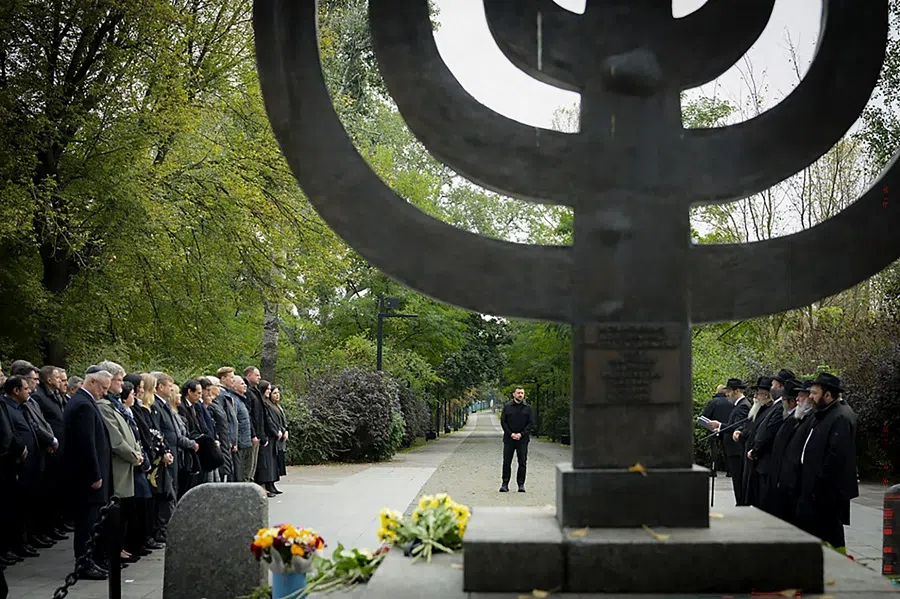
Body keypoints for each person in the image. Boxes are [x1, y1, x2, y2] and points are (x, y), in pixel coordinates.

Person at [795, 373, 859, 550]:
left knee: (831, 532)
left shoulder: (840, 417)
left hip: (827, 490)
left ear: (828, 395)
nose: (810, 397)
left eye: (815, 393)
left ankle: (839, 566)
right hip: (814, 486)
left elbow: (836, 456)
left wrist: (819, 483)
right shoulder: (823, 413)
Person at [63, 369, 113, 580]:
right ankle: (84, 563)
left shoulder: (82, 401)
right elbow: (86, 444)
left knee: (91, 521)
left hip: (86, 475)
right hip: (86, 477)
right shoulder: (83, 404)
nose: (104, 392)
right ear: (92, 381)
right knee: (86, 522)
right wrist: (94, 474)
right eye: (102, 387)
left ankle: (89, 560)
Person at [711, 378, 749, 504]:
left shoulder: (743, 405)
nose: (727, 394)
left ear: (737, 391)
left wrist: (721, 426)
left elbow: (738, 425)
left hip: (736, 450)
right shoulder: (738, 405)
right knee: (736, 480)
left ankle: (741, 502)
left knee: (738, 480)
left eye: (729, 391)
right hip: (732, 449)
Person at [499, 386, 532, 493]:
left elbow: (530, 423)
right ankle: (505, 484)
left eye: (522, 393)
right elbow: (503, 422)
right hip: (509, 439)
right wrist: (511, 434)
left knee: (522, 462)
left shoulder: (527, 408)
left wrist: (521, 434)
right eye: (518, 393)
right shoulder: (507, 407)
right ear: (514, 394)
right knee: (506, 462)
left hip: (523, 440)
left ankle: (521, 484)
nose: (520, 395)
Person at [701, 384, 733, 474]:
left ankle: (713, 470)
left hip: (714, 429)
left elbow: (705, 416)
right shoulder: (731, 402)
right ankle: (730, 470)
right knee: (727, 449)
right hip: (727, 428)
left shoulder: (713, 402)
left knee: (714, 449)